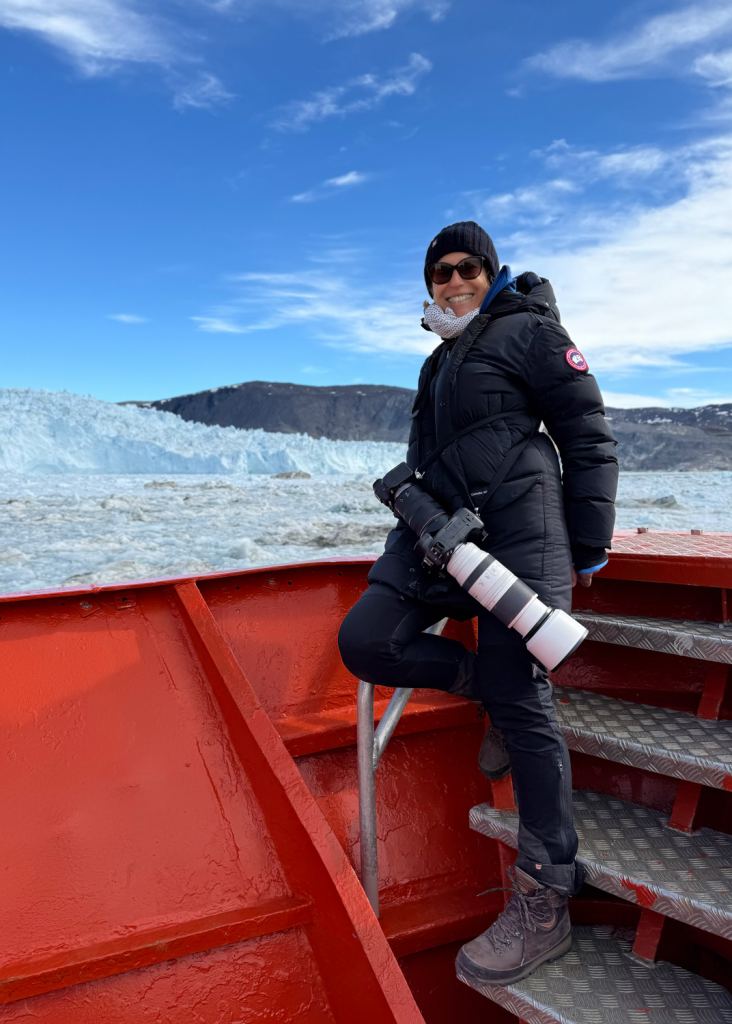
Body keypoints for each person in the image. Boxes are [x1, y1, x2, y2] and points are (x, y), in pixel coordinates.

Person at [338, 220, 618, 986]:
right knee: (367, 641)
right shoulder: (438, 361)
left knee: (523, 694)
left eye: (470, 268)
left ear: (491, 272)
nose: (456, 281)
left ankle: (546, 895)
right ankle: (479, 687)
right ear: (429, 285)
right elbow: (432, 458)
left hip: (522, 529)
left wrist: (588, 545)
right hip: (442, 535)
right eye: (442, 272)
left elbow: (586, 433)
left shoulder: (530, 330)